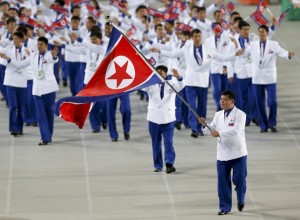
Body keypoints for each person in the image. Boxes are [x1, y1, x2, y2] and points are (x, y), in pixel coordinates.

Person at [1, 37, 59, 145]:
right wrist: (8, 59)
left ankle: (49, 135)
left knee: (49, 114)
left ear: (46, 46)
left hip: (49, 89)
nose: (39, 46)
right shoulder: (33, 56)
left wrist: (55, 56)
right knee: (40, 114)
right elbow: (20, 64)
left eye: (41, 44)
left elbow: (54, 59)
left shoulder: (49, 55)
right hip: (37, 90)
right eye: (38, 44)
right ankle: (44, 137)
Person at [198, 90, 248, 215]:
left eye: (225, 99)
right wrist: (204, 125)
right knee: (222, 183)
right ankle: (224, 207)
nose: (222, 102)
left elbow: (235, 131)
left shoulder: (240, 114)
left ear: (232, 101)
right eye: (221, 99)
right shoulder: (218, 115)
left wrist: (219, 133)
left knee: (239, 180)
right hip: (222, 155)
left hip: (238, 154)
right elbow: (210, 130)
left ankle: (241, 199)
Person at [244, 25, 295, 133]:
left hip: (270, 78)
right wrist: (239, 53)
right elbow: (245, 53)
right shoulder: (252, 45)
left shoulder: (273, 45)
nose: (261, 34)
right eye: (259, 32)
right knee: (260, 103)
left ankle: (272, 123)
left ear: (267, 33)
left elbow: (282, 52)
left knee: (272, 102)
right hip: (257, 78)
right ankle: (263, 126)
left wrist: (288, 55)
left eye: (263, 32)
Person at [144, 65, 185, 173]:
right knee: (156, 143)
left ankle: (169, 164)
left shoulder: (171, 84)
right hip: (153, 119)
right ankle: (157, 165)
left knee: (168, 142)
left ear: (166, 74)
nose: (160, 74)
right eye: (157, 72)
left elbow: (181, 85)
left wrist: (179, 77)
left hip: (168, 119)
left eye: (162, 72)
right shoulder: (150, 84)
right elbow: (141, 86)